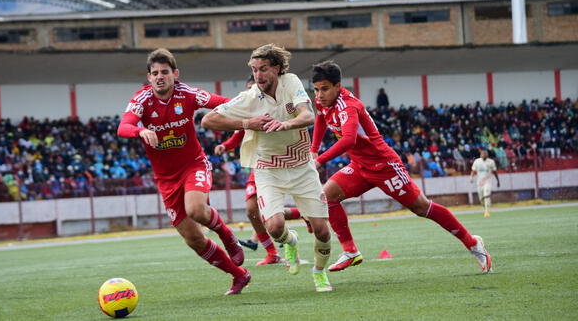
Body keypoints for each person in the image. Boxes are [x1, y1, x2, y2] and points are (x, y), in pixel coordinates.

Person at [310, 60, 492, 274]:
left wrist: (320, 159)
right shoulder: (323, 102)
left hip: (384, 165)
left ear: (338, 87)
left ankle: (472, 243)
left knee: (421, 208)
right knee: (328, 196)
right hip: (360, 166)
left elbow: (349, 140)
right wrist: (314, 148)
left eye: (324, 89)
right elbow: (321, 118)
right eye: (316, 89)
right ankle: (350, 252)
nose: (319, 95)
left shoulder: (349, 107)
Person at [117, 48, 250, 296]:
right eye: (154, 73)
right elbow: (124, 126)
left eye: (165, 72)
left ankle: (228, 236)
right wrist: (141, 131)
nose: (159, 77)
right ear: (149, 77)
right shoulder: (142, 100)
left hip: (193, 165)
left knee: (196, 210)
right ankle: (239, 275)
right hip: (165, 179)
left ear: (175, 74)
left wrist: (247, 104)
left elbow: (223, 103)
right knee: (193, 239)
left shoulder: (187, 94)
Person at [202, 43, 333, 292]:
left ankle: (319, 272)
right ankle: (289, 241)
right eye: (254, 70)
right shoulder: (250, 97)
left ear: (277, 68)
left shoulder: (291, 82)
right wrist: (247, 122)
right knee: (274, 227)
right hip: (268, 167)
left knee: (322, 231)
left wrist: (285, 125)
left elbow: (308, 116)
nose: (258, 75)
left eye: (263, 69)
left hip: (301, 165)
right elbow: (208, 119)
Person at [215, 128, 312, 266]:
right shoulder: (251, 111)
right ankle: (272, 253)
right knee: (251, 211)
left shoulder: (281, 111)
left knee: (272, 216)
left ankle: (307, 214)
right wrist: (225, 146)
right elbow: (240, 131)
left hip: (284, 162)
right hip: (261, 166)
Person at [470, 149, 500, 217]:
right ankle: (486, 207)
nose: (484, 155)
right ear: (480, 155)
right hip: (480, 182)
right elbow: (473, 170)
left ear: (487, 155)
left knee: (486, 194)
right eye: (482, 154)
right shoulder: (477, 161)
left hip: (488, 181)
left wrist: (498, 181)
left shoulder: (491, 162)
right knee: (481, 198)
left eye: (485, 154)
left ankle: (487, 211)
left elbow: (495, 172)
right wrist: (471, 177)